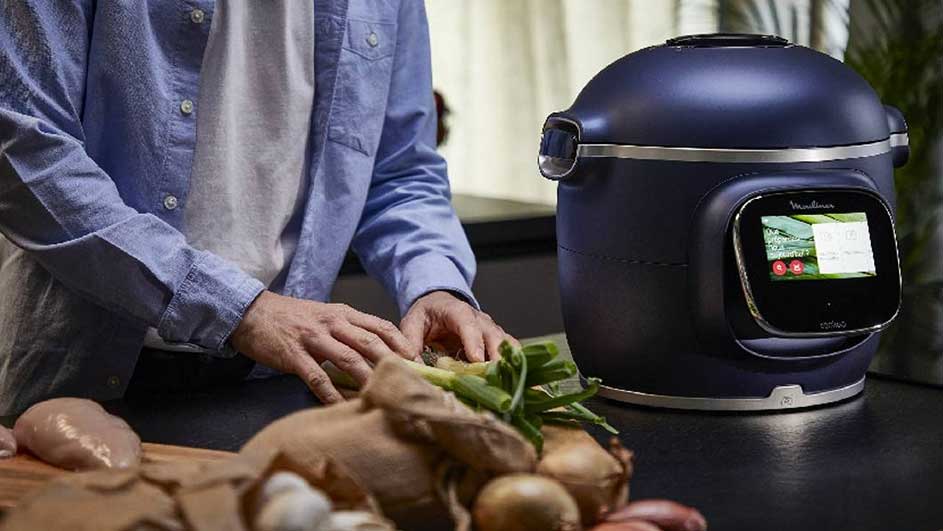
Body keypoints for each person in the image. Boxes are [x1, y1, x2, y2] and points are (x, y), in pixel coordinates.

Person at [0, 0, 511, 415]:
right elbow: (26, 153)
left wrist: (436, 283)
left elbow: (399, 168)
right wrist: (238, 308)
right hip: (77, 375)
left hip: (275, 377)